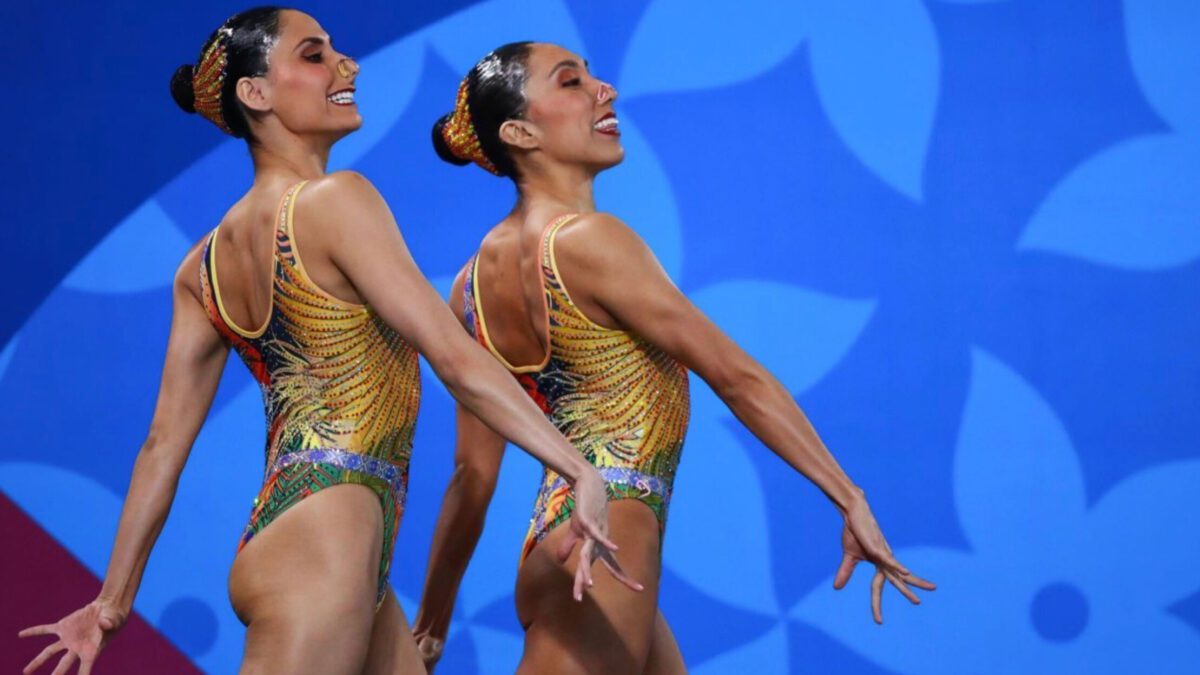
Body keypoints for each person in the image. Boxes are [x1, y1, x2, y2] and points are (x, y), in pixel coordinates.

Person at [17, 15, 633, 675]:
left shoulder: (200, 267)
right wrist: (578, 468)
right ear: (257, 94)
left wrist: (112, 602)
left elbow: (162, 446)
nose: (349, 66)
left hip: (318, 539)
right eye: (315, 56)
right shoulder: (335, 201)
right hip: (324, 546)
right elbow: (453, 357)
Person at [412, 41, 937, 673]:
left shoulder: (468, 287)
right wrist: (848, 496)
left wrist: (433, 625)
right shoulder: (590, 241)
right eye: (572, 82)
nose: (605, 90)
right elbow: (736, 377)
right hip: (610, 544)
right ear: (521, 132)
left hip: (560, 544)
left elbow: (473, 478)